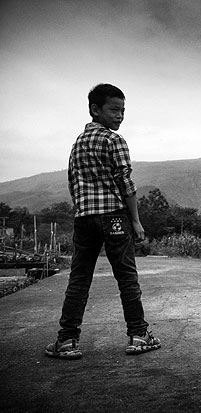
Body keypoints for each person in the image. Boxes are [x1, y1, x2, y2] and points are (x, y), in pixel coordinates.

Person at [45, 84, 161, 359]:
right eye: (114, 110)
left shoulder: (77, 143)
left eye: (123, 111)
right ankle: (138, 334)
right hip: (114, 217)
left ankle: (67, 340)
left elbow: (73, 182)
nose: (120, 116)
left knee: (79, 278)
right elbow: (125, 183)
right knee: (127, 277)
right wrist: (135, 220)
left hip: (84, 218)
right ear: (95, 109)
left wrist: (83, 208)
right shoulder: (113, 140)